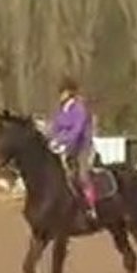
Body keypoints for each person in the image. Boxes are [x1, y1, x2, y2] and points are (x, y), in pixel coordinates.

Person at [48, 76, 98, 221]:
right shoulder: (61, 110)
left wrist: (61, 140)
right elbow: (54, 127)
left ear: (70, 92)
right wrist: (51, 139)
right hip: (66, 147)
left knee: (82, 175)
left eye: (62, 92)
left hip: (83, 147)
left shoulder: (79, 108)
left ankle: (91, 207)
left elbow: (77, 131)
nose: (60, 95)